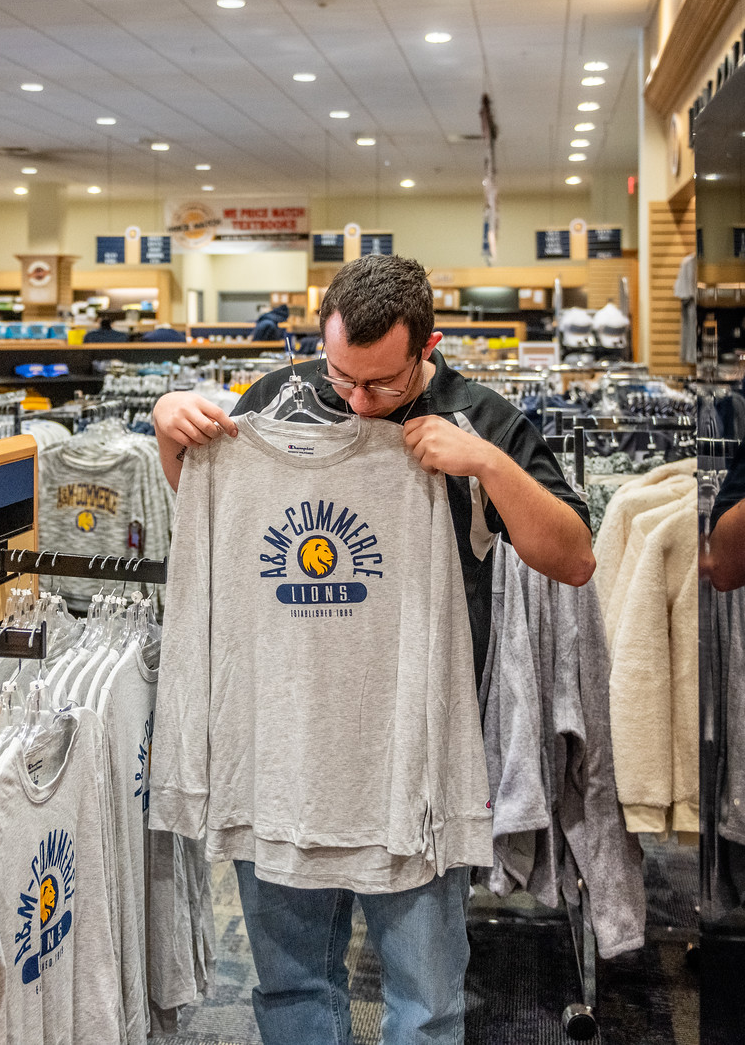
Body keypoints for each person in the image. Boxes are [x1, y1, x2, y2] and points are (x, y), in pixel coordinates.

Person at [151, 253, 593, 1043]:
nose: (355, 401)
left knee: (426, 1007)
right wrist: (171, 435)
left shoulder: (477, 417)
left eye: (380, 384)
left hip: (412, 771)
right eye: (340, 375)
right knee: (290, 992)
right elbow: (217, 524)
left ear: (429, 347)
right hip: (279, 765)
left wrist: (485, 464)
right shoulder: (278, 402)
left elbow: (574, 557)